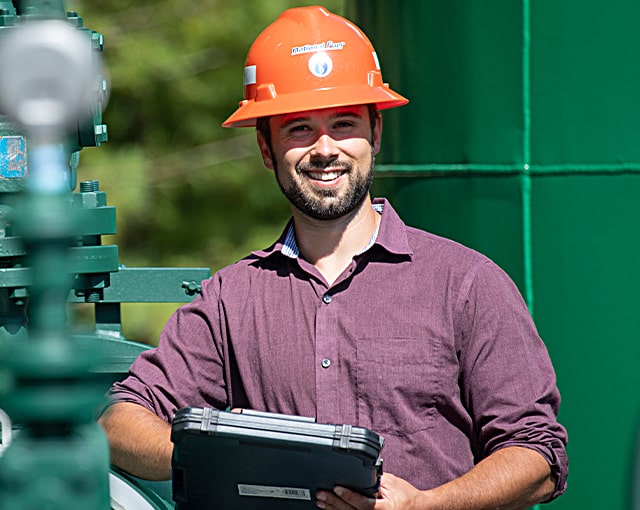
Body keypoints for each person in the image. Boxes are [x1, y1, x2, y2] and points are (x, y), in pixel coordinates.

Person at [98, 5, 568, 509]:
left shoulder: (467, 283)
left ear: (376, 133)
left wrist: (426, 506)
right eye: (298, 128)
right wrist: (218, 454)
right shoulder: (230, 299)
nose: (325, 148)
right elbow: (118, 422)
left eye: (343, 123)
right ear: (265, 147)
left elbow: (538, 455)